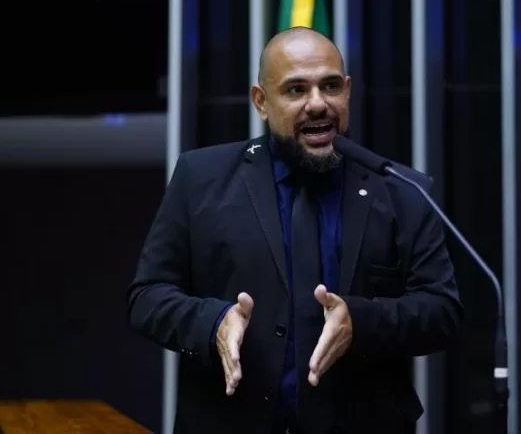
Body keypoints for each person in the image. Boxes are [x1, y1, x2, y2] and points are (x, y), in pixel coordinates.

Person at [127, 27, 463, 434]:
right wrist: (213, 323)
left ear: (348, 90)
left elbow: (442, 311)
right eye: (296, 90)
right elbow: (147, 296)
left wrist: (361, 321)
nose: (318, 104)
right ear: (261, 102)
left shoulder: (400, 189)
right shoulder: (201, 178)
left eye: (331, 86)